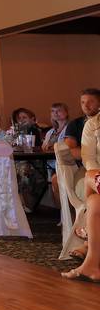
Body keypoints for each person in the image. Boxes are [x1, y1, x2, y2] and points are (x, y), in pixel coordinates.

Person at [62, 107, 100, 283]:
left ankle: (86, 242)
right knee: (94, 201)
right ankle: (91, 265)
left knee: (89, 178)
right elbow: (88, 158)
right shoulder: (93, 124)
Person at [63, 89, 100, 160]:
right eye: (82, 102)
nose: (85, 105)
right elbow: (70, 149)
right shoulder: (74, 124)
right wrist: (94, 157)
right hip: (85, 164)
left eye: (91, 102)